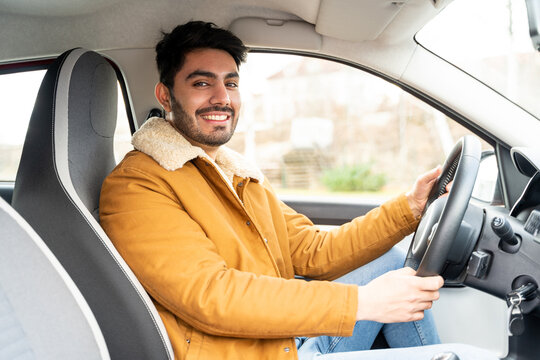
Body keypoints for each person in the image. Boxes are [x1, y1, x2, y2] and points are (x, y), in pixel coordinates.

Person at [99, 21, 497, 360]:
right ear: (166, 95)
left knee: (393, 262)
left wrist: (409, 209)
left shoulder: (233, 171)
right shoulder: (139, 185)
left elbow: (311, 251)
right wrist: (363, 303)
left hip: (280, 336)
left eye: (230, 83)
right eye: (202, 83)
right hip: (261, 352)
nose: (222, 98)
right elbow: (212, 296)